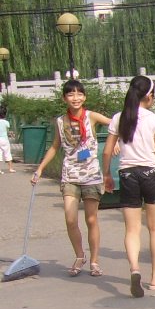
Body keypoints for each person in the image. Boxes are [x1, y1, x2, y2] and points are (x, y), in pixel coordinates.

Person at [102, 75, 155, 297]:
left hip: (127, 175)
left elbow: (107, 151)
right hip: (151, 174)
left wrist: (107, 175)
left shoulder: (119, 118)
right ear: (149, 95)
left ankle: (135, 269)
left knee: (132, 229)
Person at [31, 81, 113, 277]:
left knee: (91, 219)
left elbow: (115, 125)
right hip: (70, 176)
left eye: (79, 94)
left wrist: (114, 142)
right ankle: (79, 255)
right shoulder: (60, 121)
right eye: (70, 94)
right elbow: (54, 147)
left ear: (84, 97)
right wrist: (40, 169)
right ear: (64, 98)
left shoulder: (91, 116)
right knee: (70, 219)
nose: (75, 98)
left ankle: (94, 261)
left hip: (92, 176)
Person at [0, 105, 15, 174]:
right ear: (5, 114)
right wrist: (12, 135)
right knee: (7, 153)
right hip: (4, 139)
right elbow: (8, 131)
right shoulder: (6, 122)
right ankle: (10, 168)